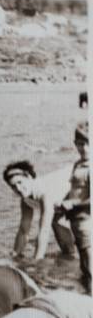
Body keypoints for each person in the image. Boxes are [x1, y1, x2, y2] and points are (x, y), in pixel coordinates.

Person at [3, 160, 76, 261]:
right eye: (13, 186)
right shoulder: (25, 199)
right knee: (56, 221)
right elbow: (24, 230)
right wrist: (15, 255)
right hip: (65, 198)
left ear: (29, 177)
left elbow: (44, 230)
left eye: (20, 182)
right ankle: (71, 257)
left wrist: (37, 260)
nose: (18, 188)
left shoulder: (44, 194)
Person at [58, 122, 91, 292]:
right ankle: (85, 295)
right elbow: (76, 190)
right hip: (76, 221)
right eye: (80, 143)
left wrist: (73, 204)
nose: (83, 148)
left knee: (90, 265)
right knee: (84, 265)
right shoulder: (78, 164)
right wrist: (64, 201)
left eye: (88, 143)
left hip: (87, 222)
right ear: (75, 143)